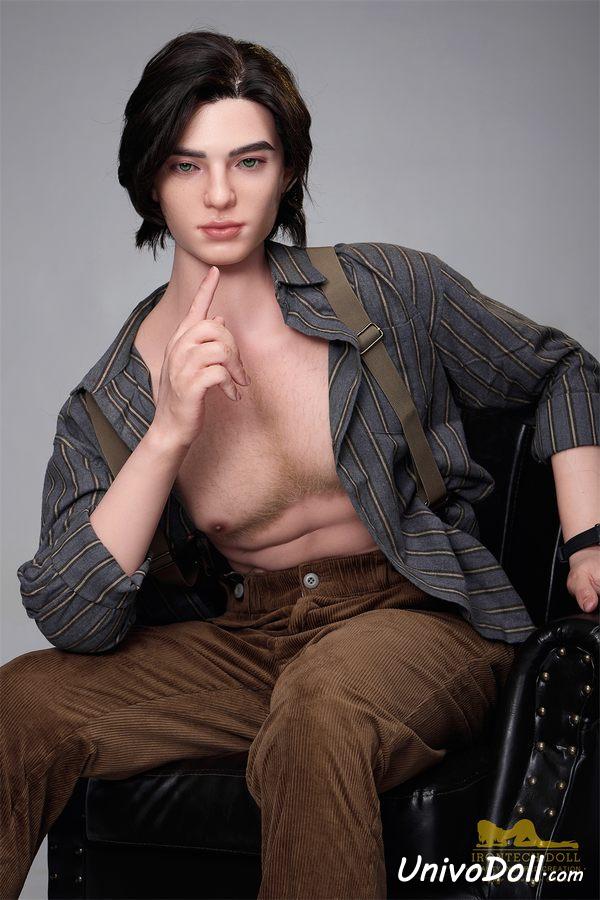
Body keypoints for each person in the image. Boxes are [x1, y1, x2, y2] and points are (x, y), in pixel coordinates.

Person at [1, 28, 598, 900]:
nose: (218, 195)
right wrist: (167, 433)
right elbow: (73, 618)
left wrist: (587, 539)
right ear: (151, 182)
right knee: (19, 705)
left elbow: (560, 370)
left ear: (286, 173)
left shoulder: (385, 291)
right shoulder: (111, 400)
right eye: (186, 166)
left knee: (318, 712)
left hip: (417, 616)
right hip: (250, 641)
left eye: (248, 161)